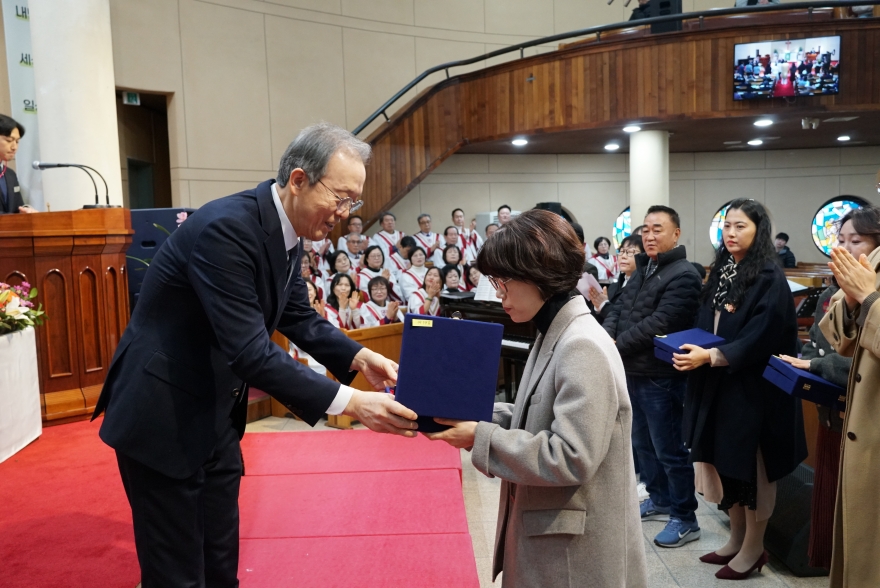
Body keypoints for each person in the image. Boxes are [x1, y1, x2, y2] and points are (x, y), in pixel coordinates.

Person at [92, 123, 418, 587]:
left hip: (214, 415)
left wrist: (361, 357)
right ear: (299, 180)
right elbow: (251, 351)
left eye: (354, 203)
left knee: (220, 565)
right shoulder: (226, 229)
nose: (345, 214)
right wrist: (353, 403)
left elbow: (297, 315)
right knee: (177, 576)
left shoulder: (288, 229)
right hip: (162, 416)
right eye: (341, 198)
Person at [426, 209, 648, 587]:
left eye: (503, 281)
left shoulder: (581, 344)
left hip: (574, 553)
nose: (498, 293)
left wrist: (480, 437)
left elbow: (571, 455)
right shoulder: (555, 330)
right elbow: (537, 409)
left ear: (537, 273)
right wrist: (475, 413)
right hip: (556, 533)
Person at [674, 199, 806, 580]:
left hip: (754, 389)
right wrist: (689, 346)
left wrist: (713, 356)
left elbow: (760, 337)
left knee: (753, 471)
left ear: (758, 231)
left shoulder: (769, 275)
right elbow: (706, 321)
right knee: (725, 464)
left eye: (740, 226)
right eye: (727, 226)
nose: (731, 233)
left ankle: (754, 548)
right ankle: (735, 538)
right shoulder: (723, 269)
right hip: (720, 383)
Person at [603, 205, 703, 548]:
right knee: (642, 444)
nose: (649, 235)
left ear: (676, 234)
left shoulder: (684, 274)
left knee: (670, 450)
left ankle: (685, 517)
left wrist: (616, 345)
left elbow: (661, 322)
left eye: (657, 229)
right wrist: (606, 336)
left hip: (661, 375)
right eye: (645, 229)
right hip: (633, 370)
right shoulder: (645, 268)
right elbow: (618, 307)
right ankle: (660, 499)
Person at [819, 205, 880, 588]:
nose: (844, 249)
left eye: (855, 241)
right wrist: (855, 299)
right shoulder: (866, 273)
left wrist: (868, 298)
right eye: (840, 240)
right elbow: (839, 340)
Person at [589, 234, 643, 326]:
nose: (623, 256)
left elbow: (626, 320)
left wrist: (603, 305)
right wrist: (598, 306)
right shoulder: (614, 285)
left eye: (630, 252)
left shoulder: (642, 286)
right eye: (621, 251)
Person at [0, 114, 36, 214]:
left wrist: (25, 210)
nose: (14, 147)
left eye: (17, 141)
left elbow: (16, 208)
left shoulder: (10, 174)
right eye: (9, 140)